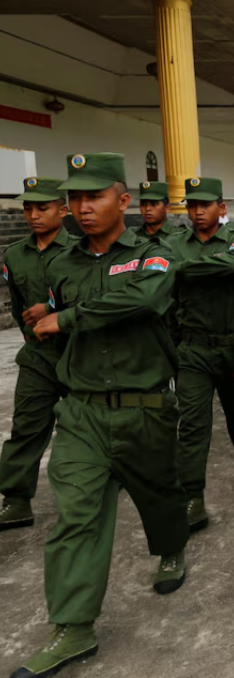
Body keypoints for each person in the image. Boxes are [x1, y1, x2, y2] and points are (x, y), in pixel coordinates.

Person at [11, 153, 189, 678]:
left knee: (159, 494)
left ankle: (172, 549)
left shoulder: (155, 254)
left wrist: (63, 318)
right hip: (83, 410)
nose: (82, 208)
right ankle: (73, 626)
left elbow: (140, 301)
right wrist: (50, 319)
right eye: (75, 199)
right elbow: (46, 312)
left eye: (94, 197)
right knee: (75, 518)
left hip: (145, 406)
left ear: (124, 200)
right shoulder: (62, 263)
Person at [168, 177, 234, 534]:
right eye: (192, 206)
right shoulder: (176, 243)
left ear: (221, 209)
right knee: (192, 425)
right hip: (192, 349)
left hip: (232, 345)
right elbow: (168, 280)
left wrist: (183, 269)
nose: (197, 211)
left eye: (204, 205)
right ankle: (193, 496)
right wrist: (200, 267)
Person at [0, 177, 74, 532]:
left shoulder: (82, 249)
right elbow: (17, 305)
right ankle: (16, 499)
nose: (32, 215)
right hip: (38, 358)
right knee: (27, 426)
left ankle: (110, 476)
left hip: (79, 354)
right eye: (27, 208)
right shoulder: (14, 254)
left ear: (62, 210)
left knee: (90, 426)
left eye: (41, 207)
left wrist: (53, 309)